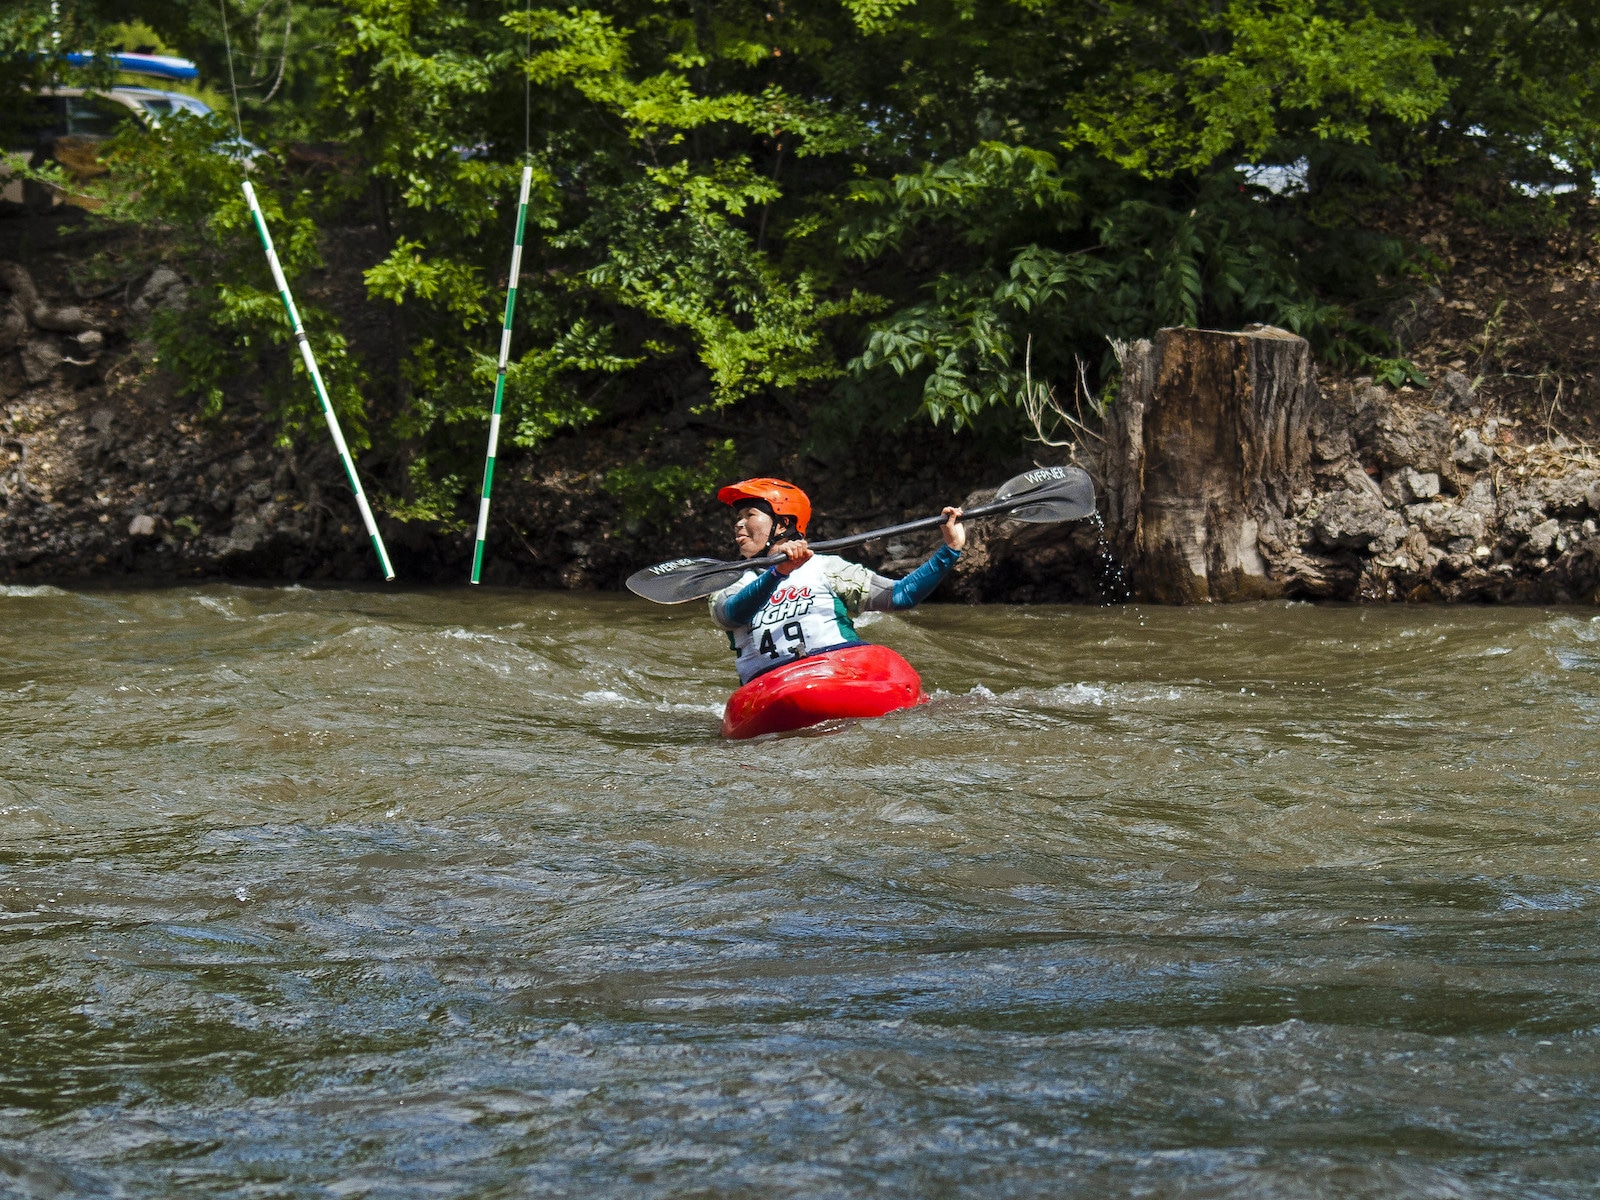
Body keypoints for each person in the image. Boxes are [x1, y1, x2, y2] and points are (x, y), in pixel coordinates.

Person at [708, 478, 965, 686]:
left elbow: (901, 595)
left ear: (782, 524)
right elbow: (731, 615)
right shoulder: (730, 581)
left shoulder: (827, 568)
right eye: (738, 518)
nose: (738, 524)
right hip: (769, 685)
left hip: (838, 671)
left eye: (749, 515)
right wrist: (778, 573)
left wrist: (950, 549)